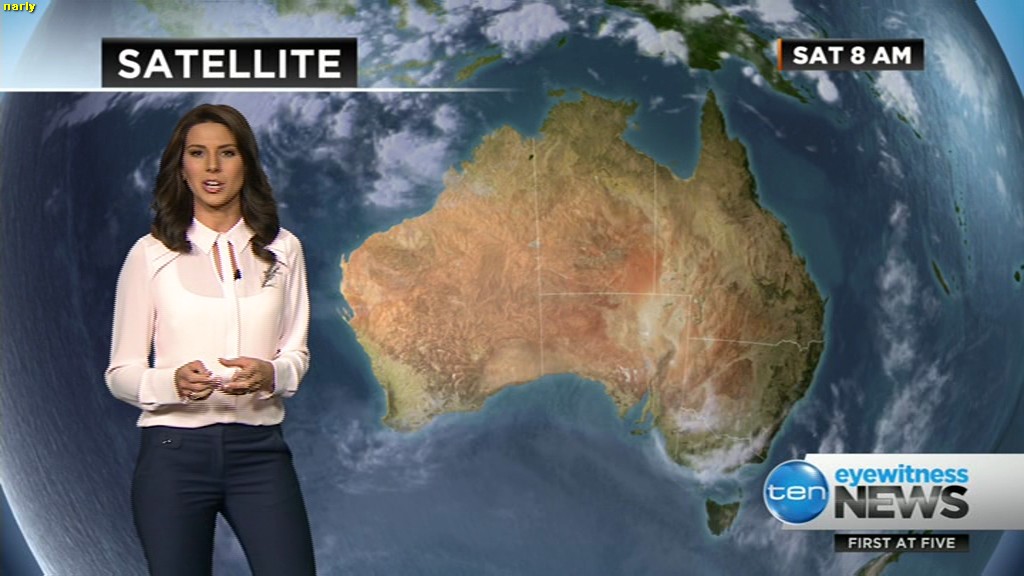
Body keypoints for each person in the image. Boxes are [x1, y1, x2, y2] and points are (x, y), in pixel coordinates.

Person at [105, 103, 316, 575]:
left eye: (227, 153)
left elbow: (296, 354)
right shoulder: (150, 255)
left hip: (260, 453)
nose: (213, 167)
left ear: (247, 163)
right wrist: (171, 383)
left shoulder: (284, 249)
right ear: (182, 167)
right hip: (172, 457)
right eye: (198, 153)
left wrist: (272, 374)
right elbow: (120, 373)